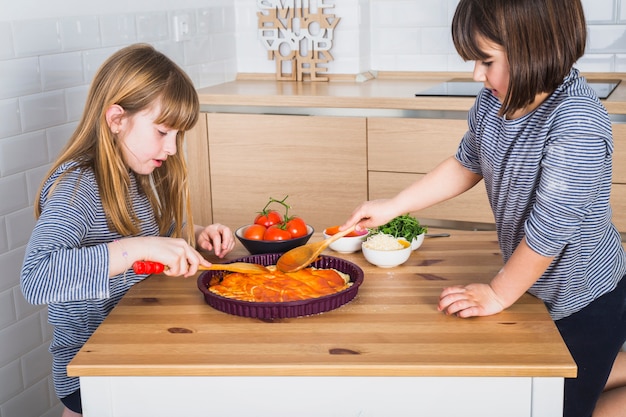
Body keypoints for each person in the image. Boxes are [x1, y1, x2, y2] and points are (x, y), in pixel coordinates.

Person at [341, 1, 626, 416]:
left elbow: (547, 235)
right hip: (533, 285)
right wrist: (393, 205)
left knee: (560, 408)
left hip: (583, 301)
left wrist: (497, 292)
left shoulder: (577, 124)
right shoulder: (497, 102)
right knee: (554, 386)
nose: (477, 74)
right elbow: (465, 162)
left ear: (536, 49)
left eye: (486, 60)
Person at [20, 44, 236, 417]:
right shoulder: (80, 187)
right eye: (163, 131)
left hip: (135, 346)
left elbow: (153, 237)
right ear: (116, 118)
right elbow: (37, 278)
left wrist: (194, 235)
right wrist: (136, 249)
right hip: (94, 372)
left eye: (177, 136)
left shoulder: (133, 173)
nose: (171, 148)